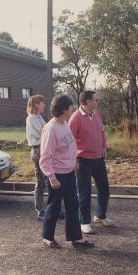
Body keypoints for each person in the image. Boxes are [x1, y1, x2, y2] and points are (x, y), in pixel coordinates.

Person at [39, 95, 94, 249]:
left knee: (73, 205)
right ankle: (47, 237)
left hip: (69, 172)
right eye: (70, 108)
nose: (72, 110)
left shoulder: (64, 124)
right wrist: (51, 177)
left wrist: (73, 161)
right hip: (56, 175)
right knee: (54, 207)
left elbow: (69, 146)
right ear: (64, 110)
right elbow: (45, 157)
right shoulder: (50, 129)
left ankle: (76, 238)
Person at [69, 90, 115, 234]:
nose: (97, 101)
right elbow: (70, 141)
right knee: (84, 192)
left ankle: (100, 216)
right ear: (88, 102)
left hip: (98, 158)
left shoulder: (96, 113)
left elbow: (101, 132)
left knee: (104, 189)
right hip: (82, 160)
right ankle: (84, 222)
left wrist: (103, 146)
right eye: (96, 99)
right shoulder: (75, 118)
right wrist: (73, 159)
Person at [26, 95, 65, 221]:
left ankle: (53, 208)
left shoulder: (39, 117)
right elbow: (44, 132)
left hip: (45, 149)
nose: (44, 105)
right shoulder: (32, 118)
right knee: (41, 181)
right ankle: (40, 209)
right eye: (42, 103)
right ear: (36, 104)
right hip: (38, 150)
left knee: (50, 180)